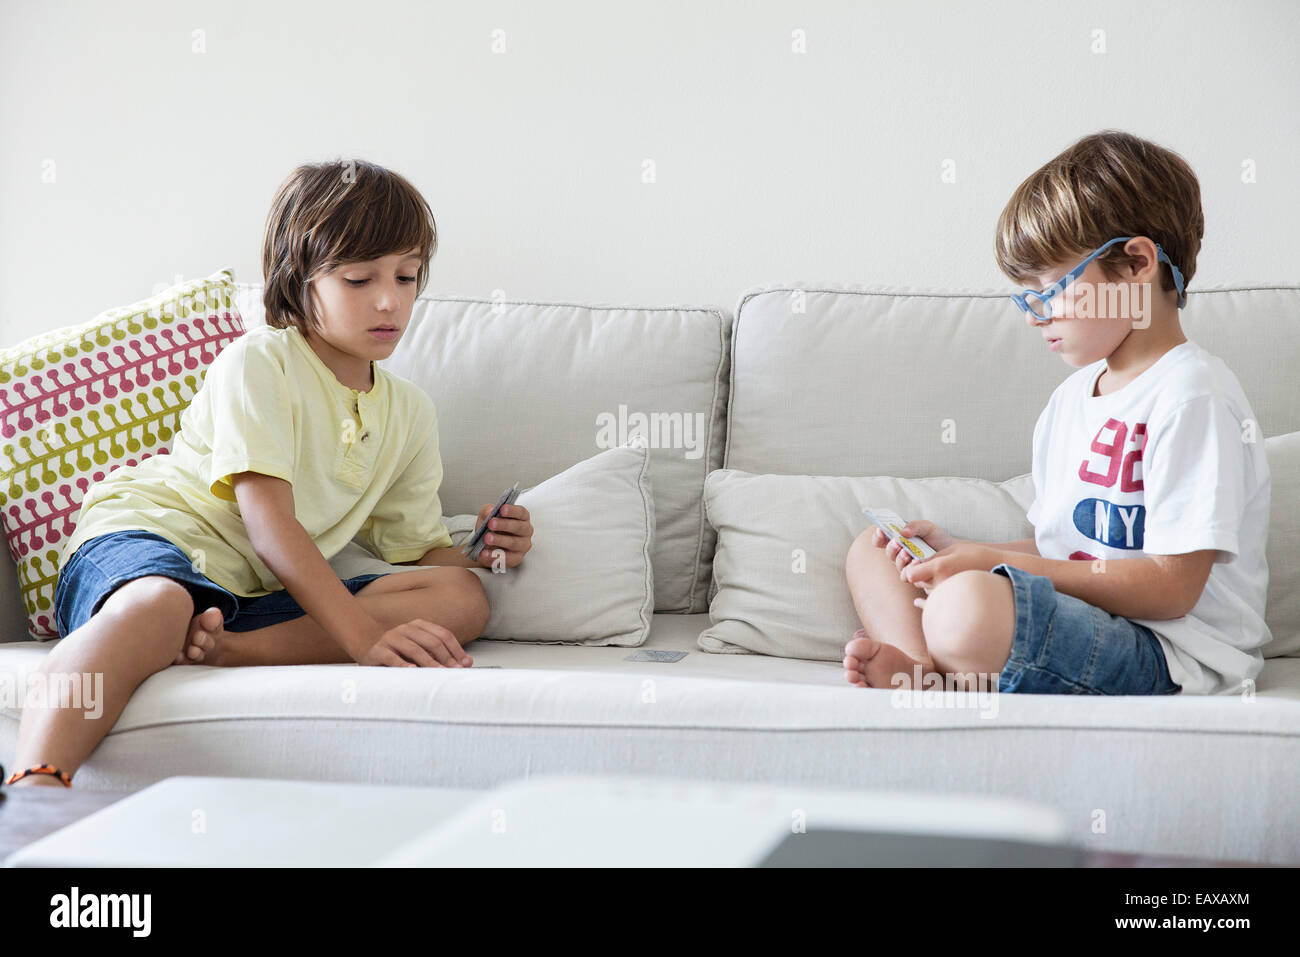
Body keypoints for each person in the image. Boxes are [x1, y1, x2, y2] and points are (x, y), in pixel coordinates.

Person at [5, 159, 534, 788]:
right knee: (159, 603)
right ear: (298, 279)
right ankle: (35, 785)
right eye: (358, 279)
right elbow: (269, 524)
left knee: (461, 601)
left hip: (248, 600)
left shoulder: (409, 412)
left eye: (408, 276)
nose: (390, 300)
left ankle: (225, 651)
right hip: (152, 542)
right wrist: (363, 639)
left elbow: (416, 551)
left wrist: (486, 551)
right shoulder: (261, 362)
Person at [843, 130, 1270, 697]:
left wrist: (985, 565)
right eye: (1026, 296)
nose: (1034, 315)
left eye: (1051, 287)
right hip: (1084, 614)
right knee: (873, 548)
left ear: (1137, 264)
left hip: (1168, 650)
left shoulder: (1194, 394)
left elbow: (1172, 588)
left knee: (966, 605)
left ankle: (948, 664)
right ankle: (926, 670)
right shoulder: (1070, 401)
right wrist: (953, 552)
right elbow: (1064, 550)